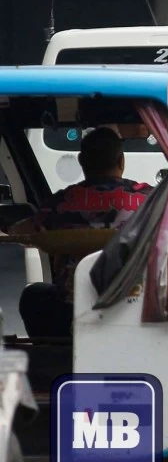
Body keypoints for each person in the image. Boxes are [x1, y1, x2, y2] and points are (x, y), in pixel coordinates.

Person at [10, 128, 151, 337]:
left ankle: (54, 355)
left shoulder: (60, 204)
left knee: (34, 295)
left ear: (82, 161)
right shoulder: (151, 200)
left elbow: (19, 232)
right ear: (121, 161)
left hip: (71, 310)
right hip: (135, 305)